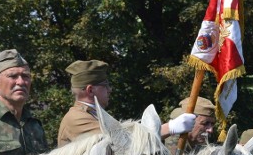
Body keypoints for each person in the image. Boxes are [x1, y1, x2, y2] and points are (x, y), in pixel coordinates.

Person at [56, 59, 195, 148]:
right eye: (106, 85)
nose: (110, 90)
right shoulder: (76, 118)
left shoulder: (92, 114)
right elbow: (124, 140)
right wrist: (170, 127)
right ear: (90, 90)